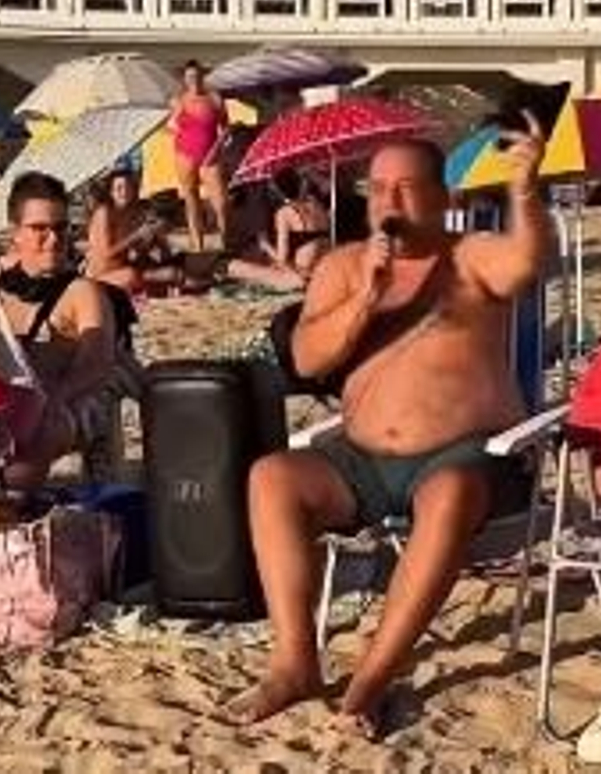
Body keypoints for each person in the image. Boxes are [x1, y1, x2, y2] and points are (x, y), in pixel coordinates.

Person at [231, 114, 551, 737]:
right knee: (272, 477)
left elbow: (523, 265)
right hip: (362, 460)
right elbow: (305, 360)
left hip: (467, 458)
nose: (390, 202)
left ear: (441, 198)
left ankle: (371, 679)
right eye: (378, 190)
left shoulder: (471, 256)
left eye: (405, 189)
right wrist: (365, 299)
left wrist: (524, 192)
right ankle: (296, 661)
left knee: (449, 494)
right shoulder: (342, 266)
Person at [0, 172, 138, 487]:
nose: (54, 239)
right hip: (7, 402)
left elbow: (96, 362)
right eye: (39, 229)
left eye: (60, 228)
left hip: (67, 399)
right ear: (15, 233)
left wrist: (50, 399)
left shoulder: (82, 292)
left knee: (36, 436)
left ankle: (11, 500)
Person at [224, 169, 331, 292]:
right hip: (323, 268)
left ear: (278, 191)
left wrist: (265, 246)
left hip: (302, 273)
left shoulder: (285, 213)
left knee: (244, 269)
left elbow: (282, 260)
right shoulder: (316, 204)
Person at [84, 168, 180, 296]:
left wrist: (154, 238)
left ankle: (168, 281)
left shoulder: (131, 213)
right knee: (132, 275)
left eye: (128, 187)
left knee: (154, 265)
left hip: (121, 268)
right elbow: (107, 253)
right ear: (111, 192)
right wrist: (138, 234)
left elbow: (133, 249)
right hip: (100, 277)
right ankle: (163, 282)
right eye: (119, 188)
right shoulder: (104, 213)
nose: (124, 192)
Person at [167, 60, 229, 253]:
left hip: (210, 155)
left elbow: (226, 130)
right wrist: (175, 133)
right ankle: (197, 244)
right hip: (184, 154)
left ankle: (225, 241)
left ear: (203, 76)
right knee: (191, 199)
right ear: (184, 79)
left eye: (197, 75)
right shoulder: (177, 101)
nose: (194, 80)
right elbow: (168, 125)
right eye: (190, 76)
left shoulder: (215, 98)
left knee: (220, 202)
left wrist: (215, 151)